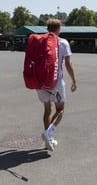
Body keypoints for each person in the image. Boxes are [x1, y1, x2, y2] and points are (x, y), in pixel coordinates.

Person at [38, 18, 77, 151]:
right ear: (58, 29)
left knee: (47, 110)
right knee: (60, 110)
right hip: (56, 82)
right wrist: (74, 80)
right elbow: (67, 63)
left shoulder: (41, 42)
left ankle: (48, 139)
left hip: (41, 82)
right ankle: (48, 133)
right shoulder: (62, 42)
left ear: (47, 29)